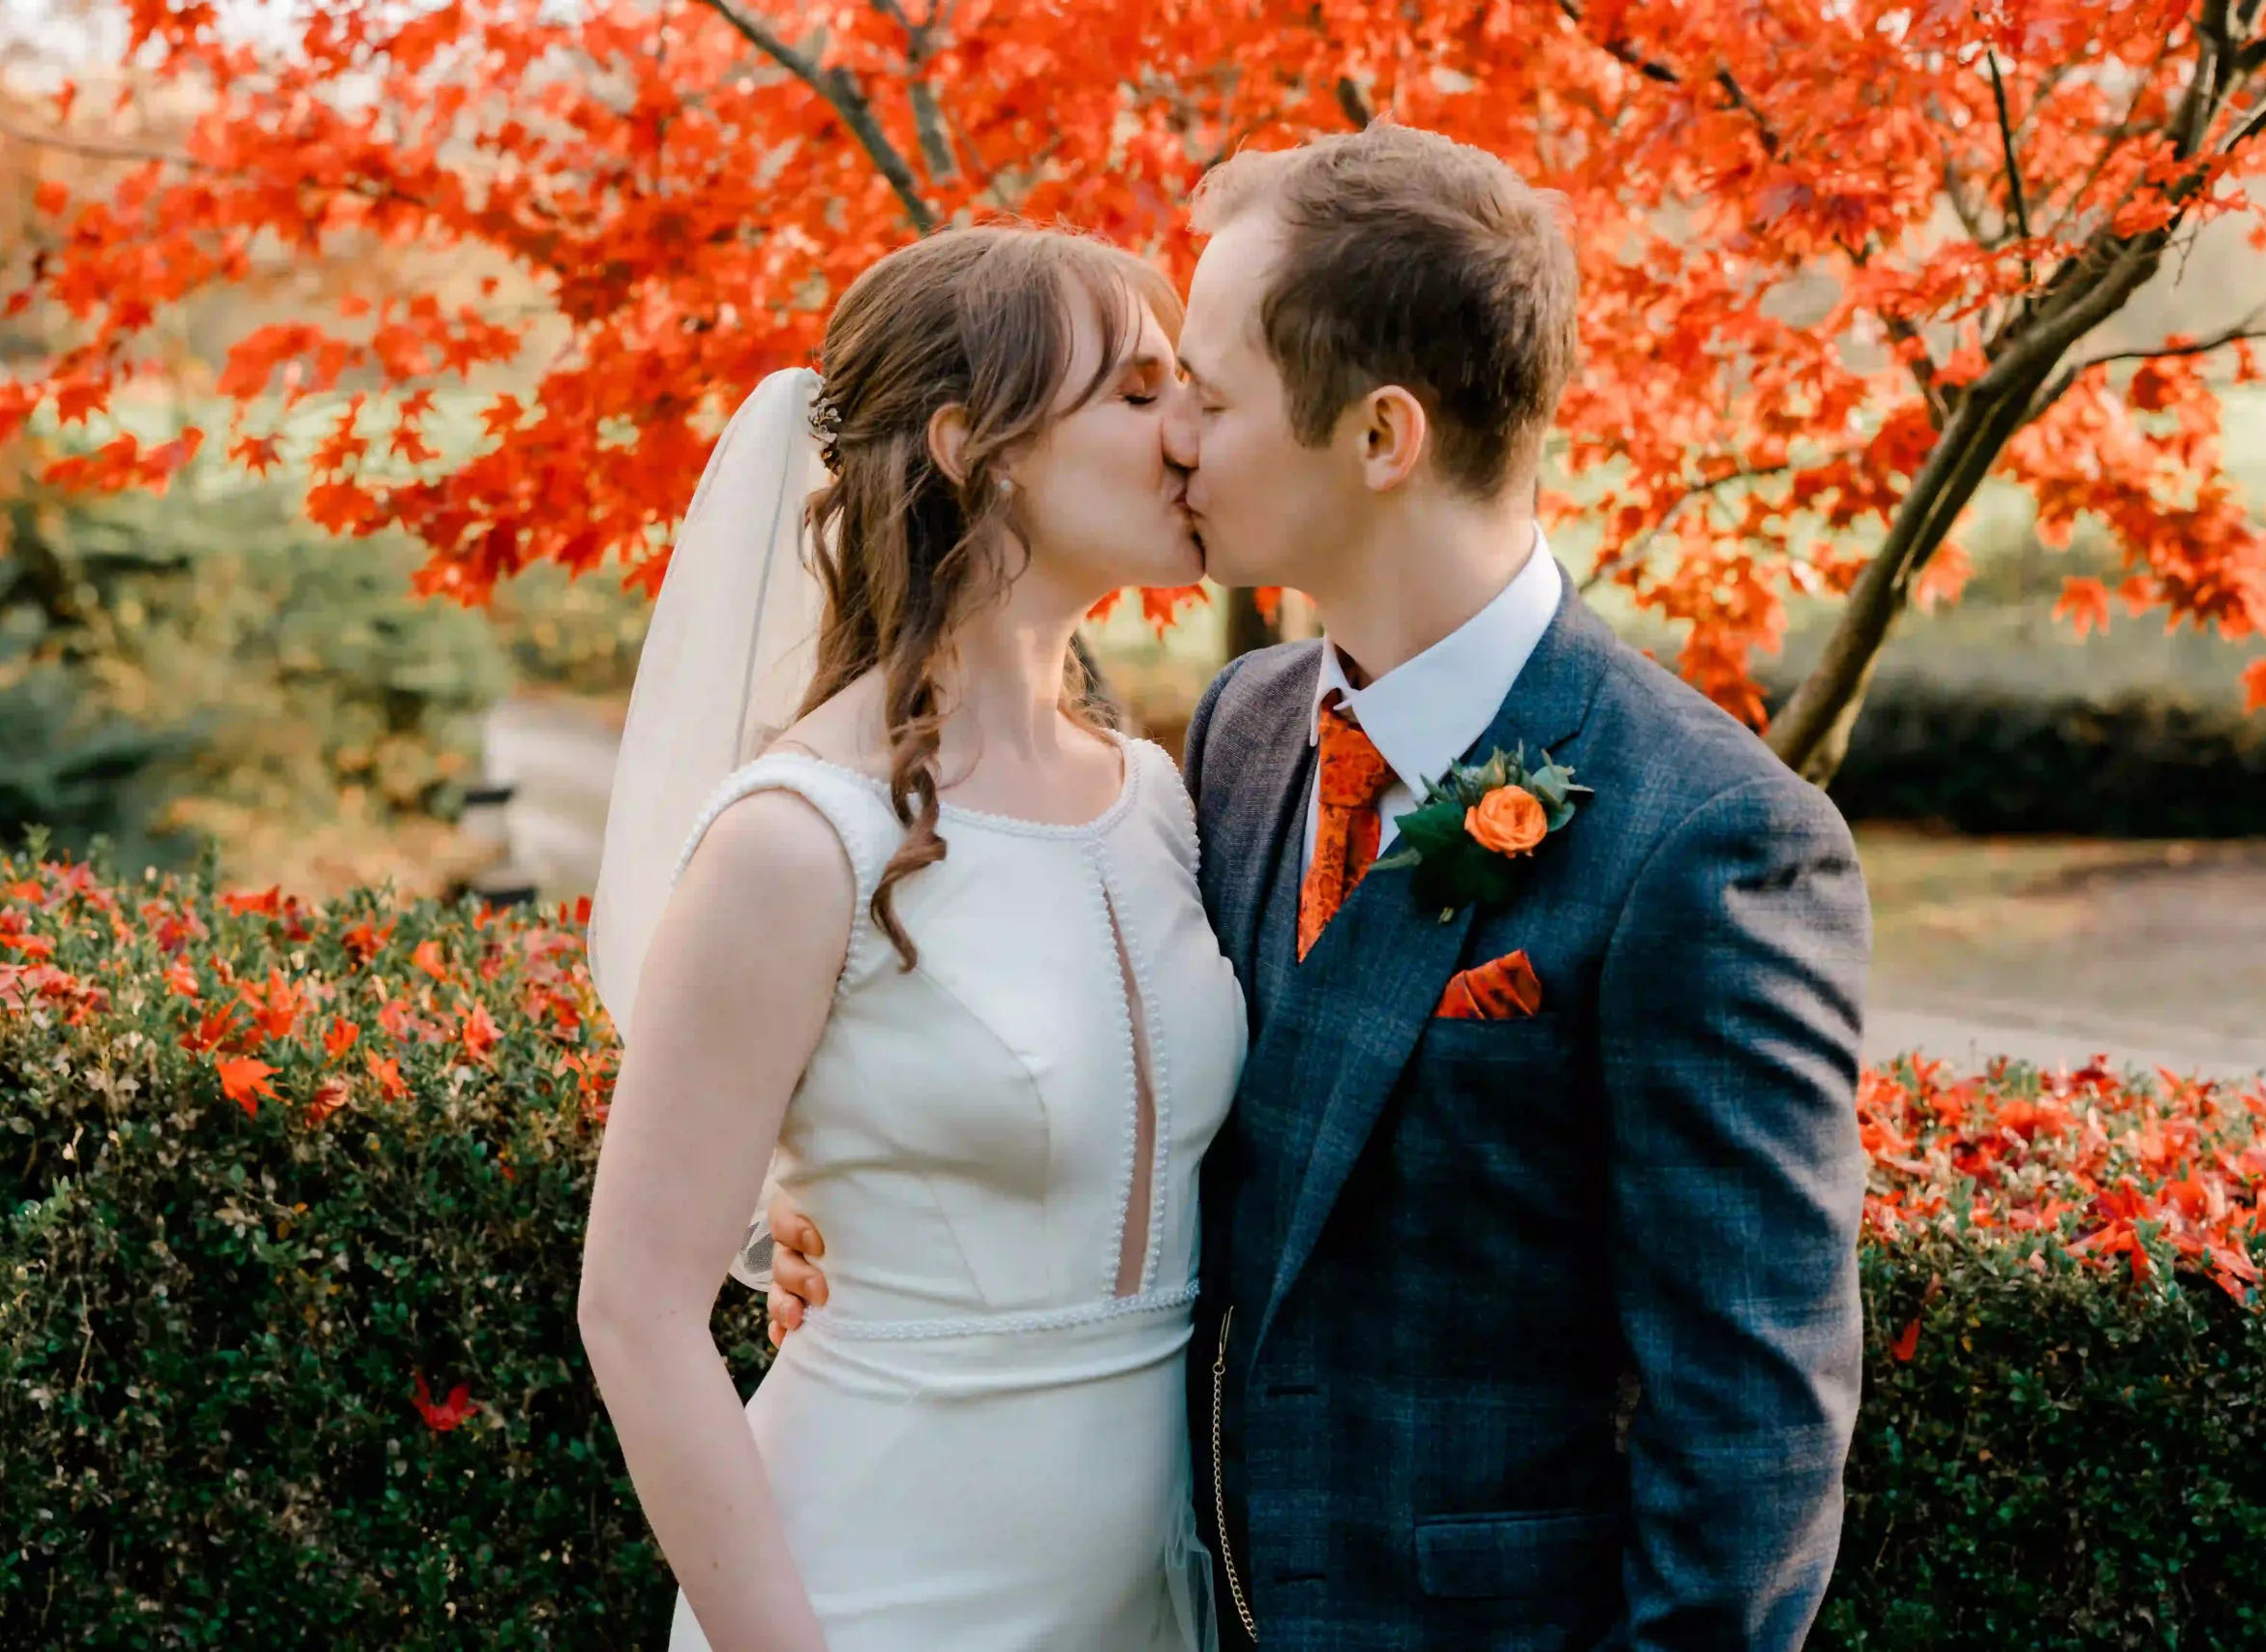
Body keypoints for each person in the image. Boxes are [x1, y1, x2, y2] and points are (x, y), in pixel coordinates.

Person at [762, 122, 1874, 1651]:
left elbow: (1752, 1443)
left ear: (1380, 438)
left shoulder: (1715, 837)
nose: (1174, 441)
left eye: (1207, 398)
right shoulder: (1241, 730)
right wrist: (843, 1192)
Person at [575, 226, 1246, 1651]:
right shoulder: (797, 838)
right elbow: (634, 1310)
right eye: (1134, 394)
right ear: (973, 445)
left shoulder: (1164, 801)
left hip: (1147, 1600)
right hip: (874, 1590)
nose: (1189, 432)